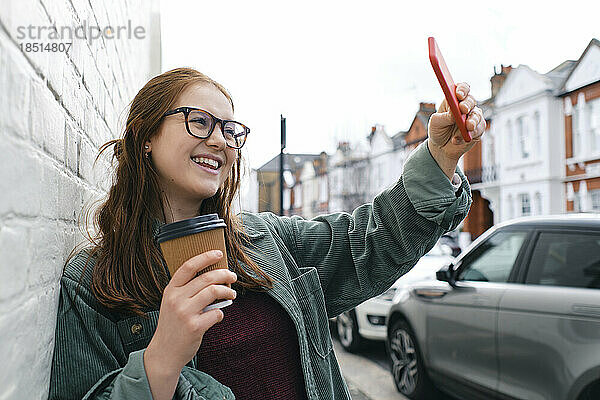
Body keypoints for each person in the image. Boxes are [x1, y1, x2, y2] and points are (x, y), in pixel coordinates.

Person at [48, 67, 485, 400]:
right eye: (199, 121)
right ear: (145, 135)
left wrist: (440, 158)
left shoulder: (268, 242)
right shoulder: (94, 281)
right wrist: (161, 358)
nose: (220, 141)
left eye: (230, 130)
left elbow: (367, 243)